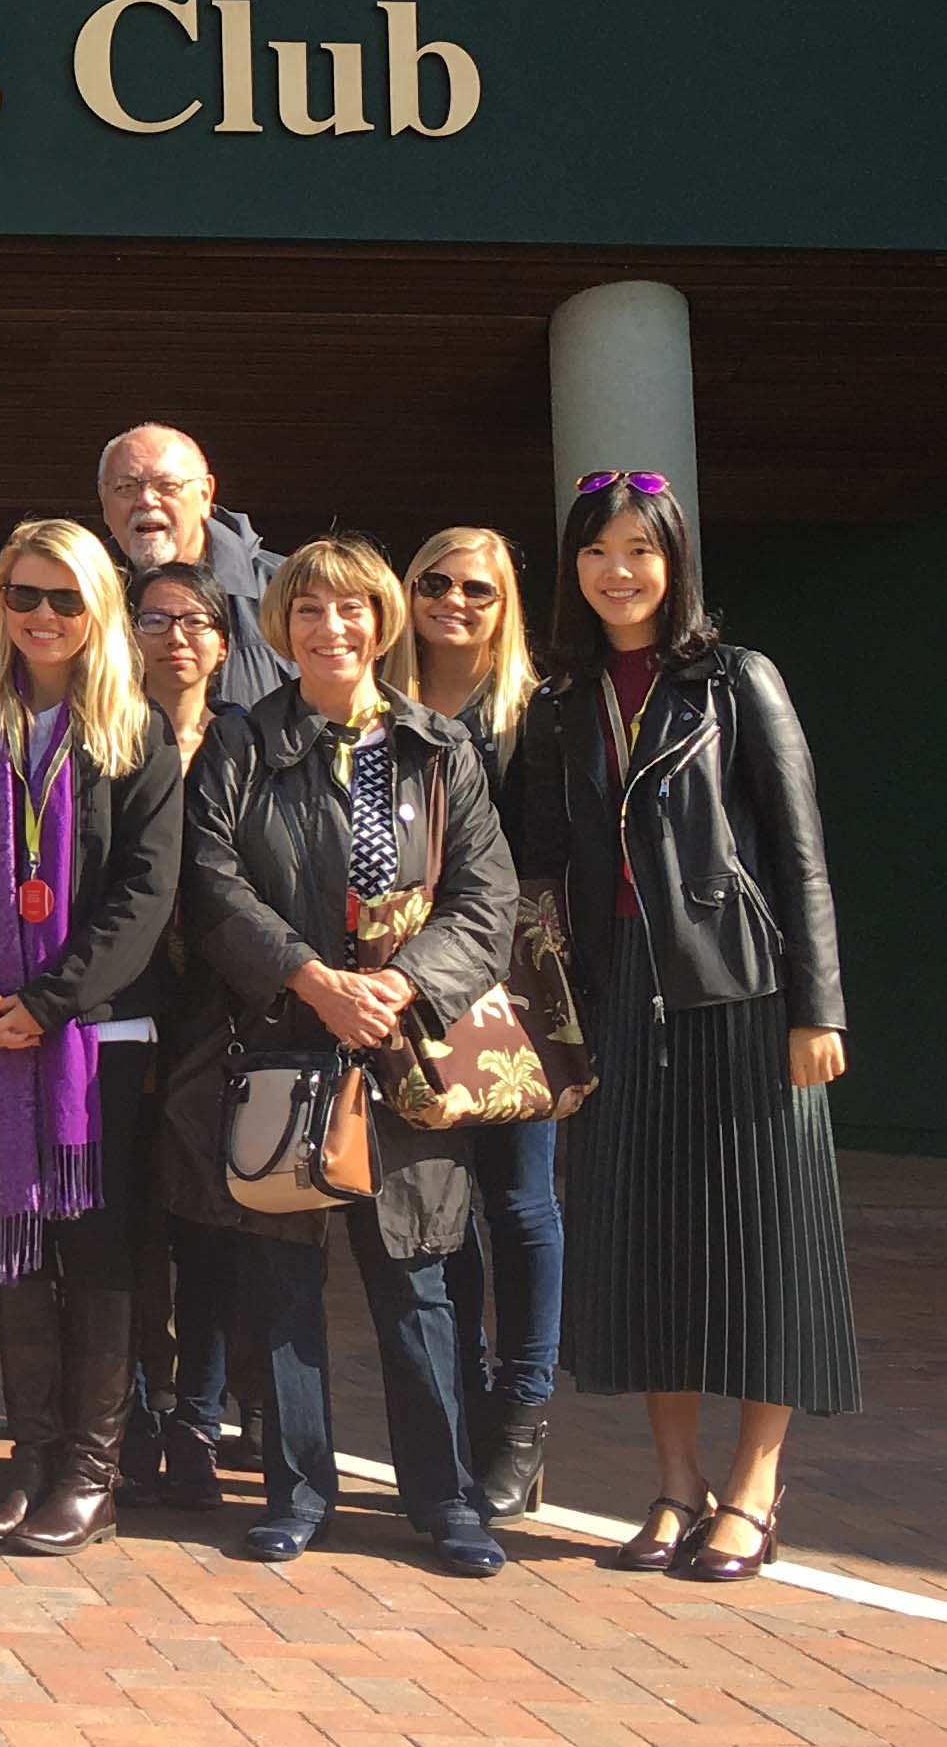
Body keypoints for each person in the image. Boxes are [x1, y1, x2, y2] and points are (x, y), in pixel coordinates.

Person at [509, 474, 857, 1581]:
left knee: (763, 1247)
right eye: (598, 550)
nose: (619, 570)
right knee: (648, 1247)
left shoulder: (735, 679)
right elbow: (530, 858)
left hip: (740, 1000)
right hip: (616, 1008)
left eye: (640, 549)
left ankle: (752, 1491)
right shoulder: (558, 699)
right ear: (572, 566)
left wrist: (817, 1007)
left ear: (674, 562)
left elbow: (796, 848)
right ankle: (674, 1483)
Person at [168, 536, 517, 1576]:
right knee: (280, 1281)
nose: (332, 629)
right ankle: (296, 1490)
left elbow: (483, 895)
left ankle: (445, 1501)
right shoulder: (244, 744)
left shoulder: (437, 746)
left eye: (353, 610)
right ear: (281, 624)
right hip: (283, 1048)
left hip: (402, 1054)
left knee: (418, 1283)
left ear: (381, 621)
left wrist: (400, 986)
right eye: (310, 611)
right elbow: (211, 880)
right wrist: (311, 979)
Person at [0, 521, 183, 1555]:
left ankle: (90, 1473)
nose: (43, 616)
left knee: (96, 1243)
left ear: (98, 606)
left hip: (95, 1032)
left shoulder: (135, 730)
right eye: (23, 595)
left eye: (65, 597)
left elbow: (146, 892)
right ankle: (27, 1460)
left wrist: (51, 1000)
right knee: (9, 1234)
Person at [388, 526, 561, 1522]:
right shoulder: (383, 706)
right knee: (435, 1204)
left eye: (479, 588)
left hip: (510, 986)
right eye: (436, 582)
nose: (455, 599)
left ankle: (522, 1417)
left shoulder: (532, 713)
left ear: (506, 607)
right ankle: (456, 1418)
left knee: (521, 1203)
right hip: (411, 982)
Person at [118, 558, 243, 1512]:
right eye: (155, 621)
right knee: (127, 1224)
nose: (176, 640)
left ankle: (197, 1413)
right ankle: (130, 1409)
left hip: (222, 1017)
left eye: (196, 622)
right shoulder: (103, 737)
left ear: (225, 644)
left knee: (205, 1226)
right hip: (121, 1009)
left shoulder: (249, 745)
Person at [95, 424, 290, 706]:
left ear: (205, 495)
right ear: (104, 501)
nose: (146, 500)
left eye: (167, 486)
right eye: (126, 488)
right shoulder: (77, 599)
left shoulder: (285, 592)